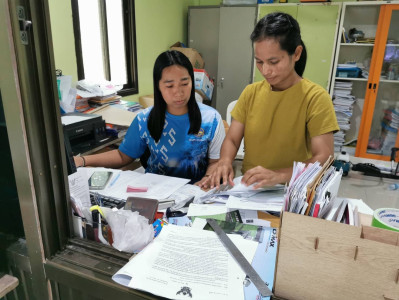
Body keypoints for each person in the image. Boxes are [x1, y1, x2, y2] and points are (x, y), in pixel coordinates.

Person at [203, 12, 339, 189]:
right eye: (259, 62)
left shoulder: (315, 97)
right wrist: (225, 161)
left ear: (296, 53)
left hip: (292, 190)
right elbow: (232, 140)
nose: (265, 70)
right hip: (250, 188)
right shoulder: (251, 93)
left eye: (273, 62)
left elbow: (323, 157)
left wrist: (279, 175)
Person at [74, 50, 225, 185]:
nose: (178, 92)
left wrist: (206, 181)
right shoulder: (144, 119)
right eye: (170, 86)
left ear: (192, 82)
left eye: (184, 83)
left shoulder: (211, 119)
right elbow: (123, 156)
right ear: (158, 87)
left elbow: (216, 162)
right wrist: (83, 160)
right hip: (155, 193)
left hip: (195, 194)